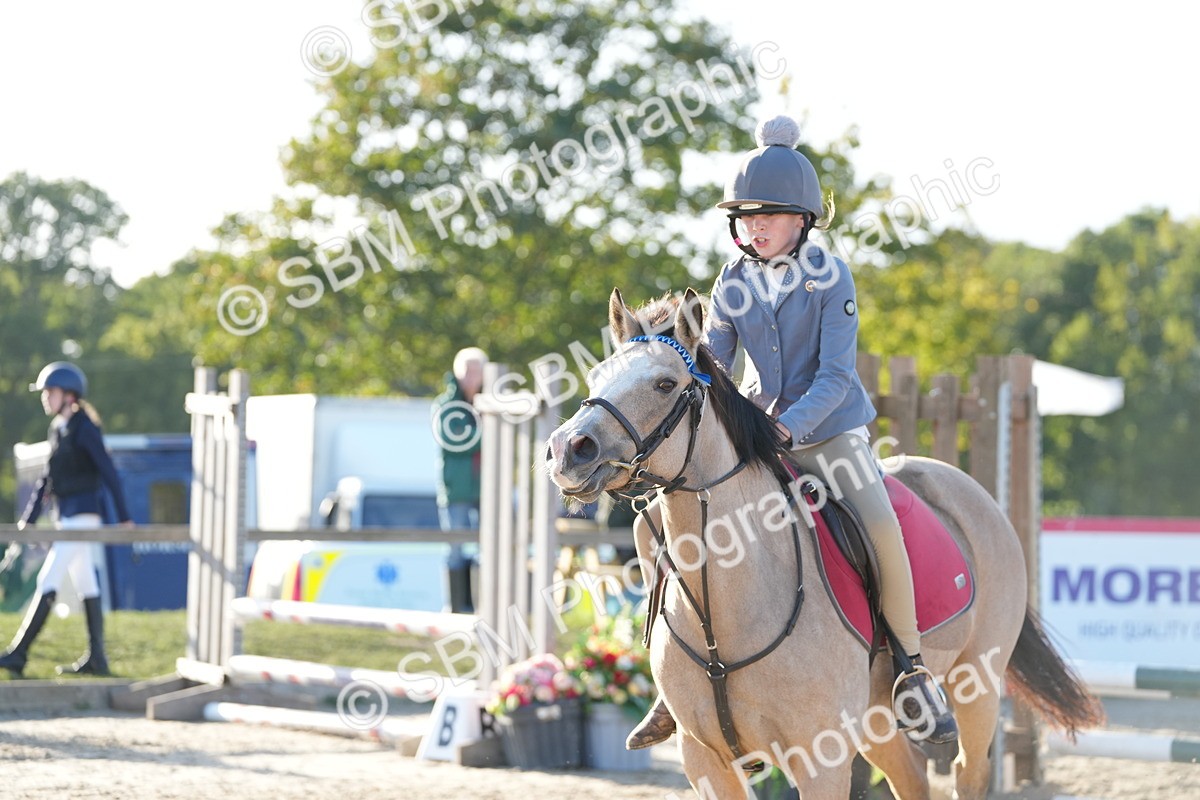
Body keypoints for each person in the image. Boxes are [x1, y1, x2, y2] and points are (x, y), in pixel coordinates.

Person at [626, 116, 958, 749]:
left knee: (878, 522)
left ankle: (913, 671)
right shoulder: (732, 280)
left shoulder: (831, 277)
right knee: (650, 525)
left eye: (768, 216)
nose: (754, 226)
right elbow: (713, 361)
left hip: (828, 434)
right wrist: (668, 361)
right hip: (758, 433)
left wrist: (784, 427)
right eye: (744, 216)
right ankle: (671, 681)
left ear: (802, 218)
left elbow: (835, 378)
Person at [0, 362, 133, 677]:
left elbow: (108, 471)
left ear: (69, 395)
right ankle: (98, 658)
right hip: (66, 518)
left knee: (49, 580)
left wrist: (125, 516)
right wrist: (28, 521)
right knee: (86, 583)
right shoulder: (59, 429)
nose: (45, 397)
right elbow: (46, 480)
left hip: (82, 518)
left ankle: (18, 654)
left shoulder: (84, 428)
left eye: (50, 391)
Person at [433, 347, 488, 614]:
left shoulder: (491, 401)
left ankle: (482, 606)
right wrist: (484, 430)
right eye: (467, 370)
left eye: (476, 370)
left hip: (486, 488)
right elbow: (456, 441)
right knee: (454, 549)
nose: (471, 376)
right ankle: (454, 607)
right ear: (457, 372)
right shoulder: (445, 404)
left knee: (486, 548)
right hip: (456, 489)